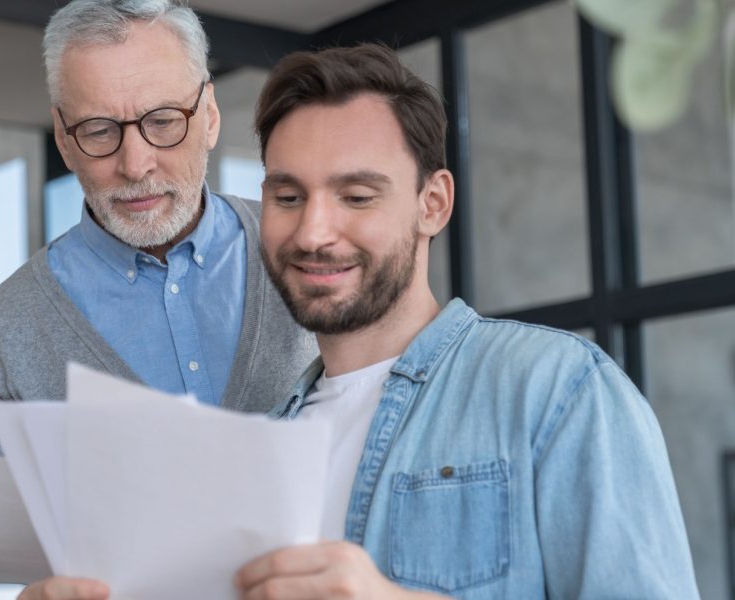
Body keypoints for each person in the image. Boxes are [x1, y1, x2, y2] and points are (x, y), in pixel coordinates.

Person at [0, 2, 315, 599]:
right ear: (63, 138)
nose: (135, 165)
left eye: (162, 120)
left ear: (209, 113)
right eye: (100, 131)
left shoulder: (315, 254)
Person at [232, 43, 699, 598]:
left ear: (433, 204)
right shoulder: (261, 448)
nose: (312, 233)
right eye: (287, 197)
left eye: (356, 197)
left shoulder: (557, 390)